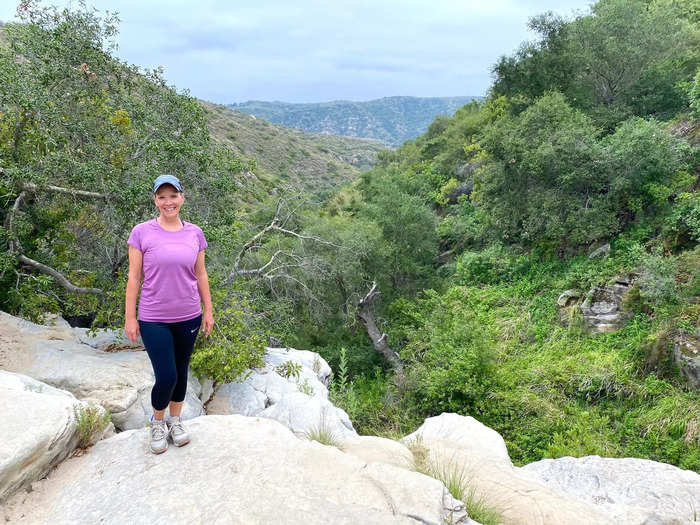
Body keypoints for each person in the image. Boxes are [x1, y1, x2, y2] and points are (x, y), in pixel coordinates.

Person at [124, 174, 214, 454]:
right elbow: (134, 277)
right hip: (154, 317)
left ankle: (176, 421)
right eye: (162, 197)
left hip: (189, 314)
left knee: (182, 372)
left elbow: (200, 273)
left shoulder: (194, 233)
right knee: (166, 375)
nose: (168, 202)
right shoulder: (142, 232)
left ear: (182, 198)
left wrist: (208, 310)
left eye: (173, 196)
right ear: (155, 200)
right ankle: (157, 421)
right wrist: (130, 316)